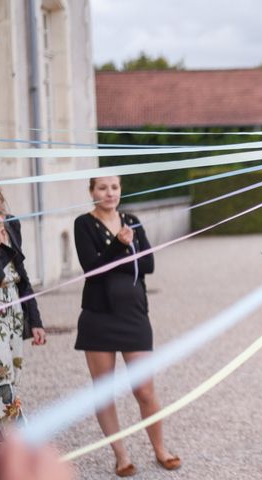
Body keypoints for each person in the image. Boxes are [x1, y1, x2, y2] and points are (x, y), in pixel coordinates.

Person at [74, 176, 179, 477]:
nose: (109, 193)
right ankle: (120, 455)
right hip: (98, 317)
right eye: (102, 188)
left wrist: (116, 252)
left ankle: (160, 448)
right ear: (92, 192)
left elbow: (147, 265)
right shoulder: (84, 224)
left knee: (144, 389)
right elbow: (92, 270)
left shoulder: (131, 220)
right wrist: (120, 248)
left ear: (120, 191)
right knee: (104, 391)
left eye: (114, 187)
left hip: (133, 315)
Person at [0, 167, 46, 444]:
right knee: (0, 383)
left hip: (13, 312)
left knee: (11, 379)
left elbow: (21, 275)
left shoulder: (10, 223)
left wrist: (34, 320)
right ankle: (26, 447)